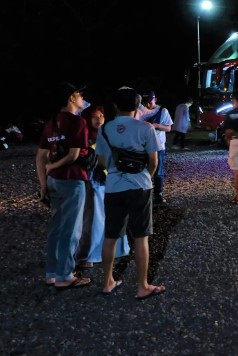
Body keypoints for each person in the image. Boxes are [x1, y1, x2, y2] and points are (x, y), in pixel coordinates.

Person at [96, 87, 165, 298]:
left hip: (114, 186)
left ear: (115, 106)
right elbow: (153, 161)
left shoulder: (105, 129)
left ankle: (107, 282)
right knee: (141, 236)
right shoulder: (145, 128)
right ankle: (142, 286)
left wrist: (115, 172)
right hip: (139, 186)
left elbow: (101, 160)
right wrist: (147, 177)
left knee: (111, 235)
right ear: (137, 106)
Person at [36, 82, 92, 289]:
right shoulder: (77, 122)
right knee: (71, 229)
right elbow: (74, 155)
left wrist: (43, 184)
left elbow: (40, 156)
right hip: (72, 180)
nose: (81, 98)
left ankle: (52, 272)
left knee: (56, 228)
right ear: (71, 97)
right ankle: (65, 275)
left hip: (54, 183)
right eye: (79, 94)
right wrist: (54, 166)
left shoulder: (51, 123)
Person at [76, 106, 130, 268]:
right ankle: (90, 254)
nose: (99, 119)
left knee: (114, 215)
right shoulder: (83, 137)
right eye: (94, 116)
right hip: (94, 181)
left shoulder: (109, 133)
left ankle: (116, 250)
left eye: (102, 115)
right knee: (94, 218)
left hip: (112, 179)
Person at [137, 91, 173, 205]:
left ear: (155, 99)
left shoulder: (163, 111)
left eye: (150, 102)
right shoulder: (140, 111)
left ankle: (158, 195)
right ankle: (142, 193)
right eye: (145, 102)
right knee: (141, 169)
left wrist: (157, 126)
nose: (148, 105)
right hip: (143, 146)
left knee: (158, 171)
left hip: (159, 146)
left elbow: (169, 128)